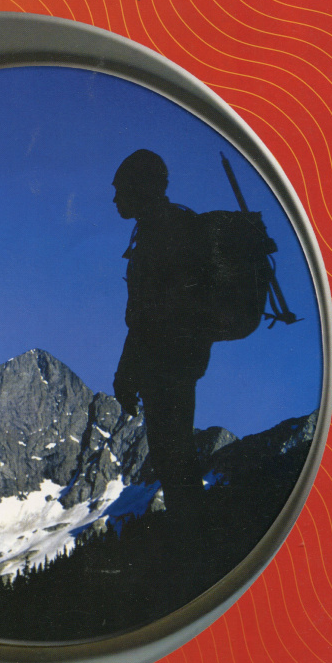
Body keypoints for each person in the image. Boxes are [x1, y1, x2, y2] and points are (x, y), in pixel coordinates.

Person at [112, 149, 213, 519]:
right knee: (174, 450)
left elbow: (147, 314)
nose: (115, 199)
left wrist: (127, 374)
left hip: (165, 360)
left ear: (139, 189)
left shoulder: (160, 231)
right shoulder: (170, 225)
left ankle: (191, 535)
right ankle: (190, 529)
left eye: (120, 190)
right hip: (180, 356)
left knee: (172, 453)